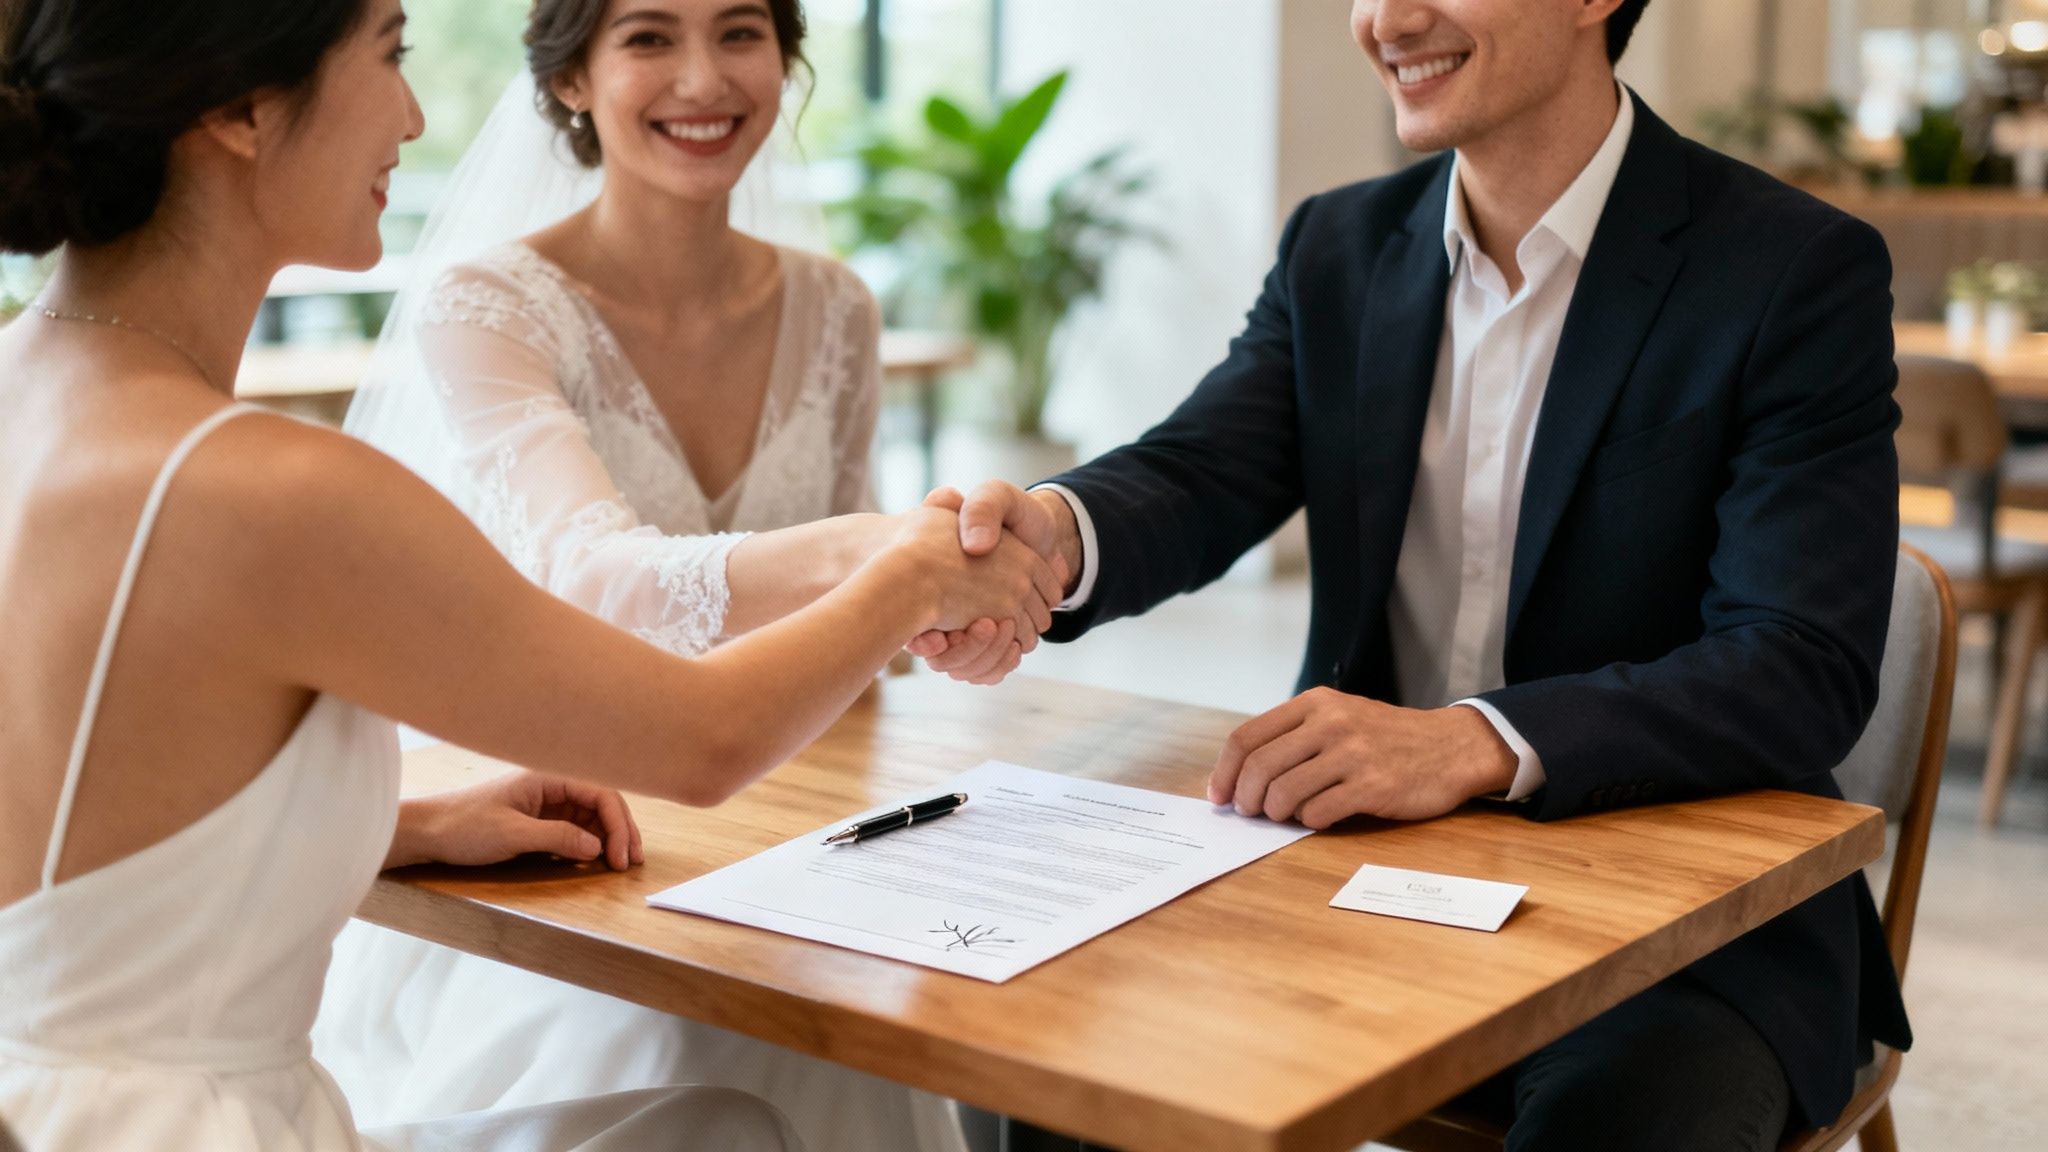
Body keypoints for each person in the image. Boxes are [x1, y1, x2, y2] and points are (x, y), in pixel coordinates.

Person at [0, 0, 1057, 1148]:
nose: (412, 113)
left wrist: (395, 826)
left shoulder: (28, 384)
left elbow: (95, 794)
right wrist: (904, 571)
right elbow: (700, 740)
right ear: (242, 109)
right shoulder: (274, 490)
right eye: (391, 53)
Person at [916, 0, 1912, 1147]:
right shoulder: (1336, 246)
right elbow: (1201, 470)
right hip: (1360, 876)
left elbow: (1796, 664)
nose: (1382, 18)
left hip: (1681, 926)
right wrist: (1056, 533)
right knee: (1059, 1049)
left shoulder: (1790, 267)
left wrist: (1467, 742)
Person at [318, 3, 991, 1147]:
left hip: (801, 844)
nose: (702, 79)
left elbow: (863, 647)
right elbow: (595, 577)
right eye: (646, 38)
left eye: (739, 32)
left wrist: (950, 614)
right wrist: (883, 554)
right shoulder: (487, 305)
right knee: (700, 1050)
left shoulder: (835, 308)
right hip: (574, 853)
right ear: (571, 78)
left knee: (883, 1026)